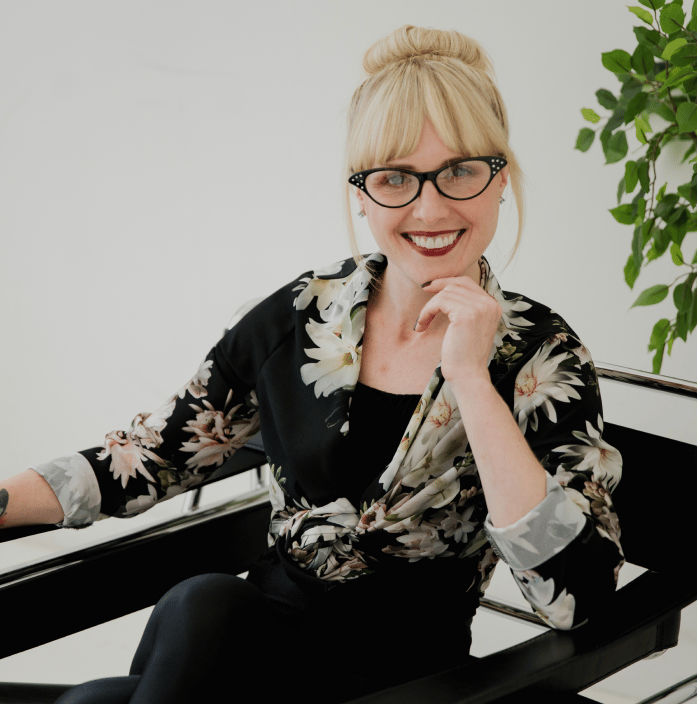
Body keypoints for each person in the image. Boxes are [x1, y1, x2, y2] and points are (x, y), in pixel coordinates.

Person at [0, 24, 624, 703]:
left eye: (461, 171)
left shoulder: (542, 354)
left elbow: (576, 595)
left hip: (409, 682)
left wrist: (472, 379)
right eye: (394, 178)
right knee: (201, 601)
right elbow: (152, 454)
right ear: (361, 193)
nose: (430, 207)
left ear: (500, 179)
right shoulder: (301, 316)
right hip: (252, 654)